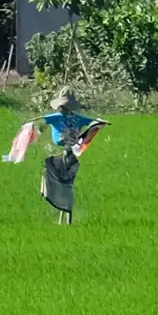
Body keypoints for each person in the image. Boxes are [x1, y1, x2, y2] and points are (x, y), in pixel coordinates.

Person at [40, 85, 106, 224]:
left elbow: (92, 123)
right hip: (67, 150)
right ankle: (65, 215)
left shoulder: (66, 117)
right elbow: (41, 122)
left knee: (66, 184)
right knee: (64, 183)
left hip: (70, 150)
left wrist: (99, 123)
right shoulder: (64, 117)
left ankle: (66, 215)